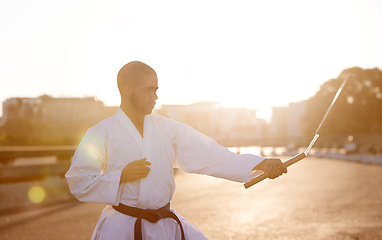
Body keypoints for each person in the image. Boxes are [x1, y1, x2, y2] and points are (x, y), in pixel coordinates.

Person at [65, 61, 287, 240]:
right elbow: (79, 180)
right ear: (127, 89)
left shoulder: (167, 129)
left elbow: (210, 155)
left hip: (164, 227)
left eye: (156, 89)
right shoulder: (100, 133)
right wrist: (120, 176)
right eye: (148, 89)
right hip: (121, 228)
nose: (155, 96)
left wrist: (259, 164)